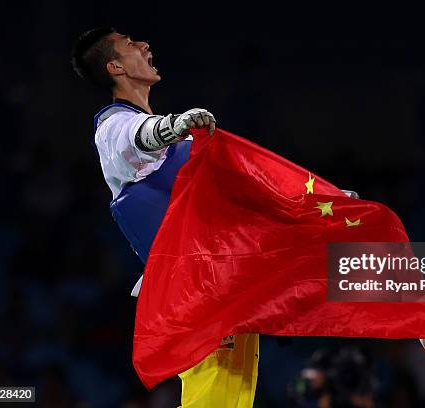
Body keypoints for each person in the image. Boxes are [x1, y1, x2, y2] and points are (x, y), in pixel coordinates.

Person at [71, 27, 259, 408]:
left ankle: (407, 307)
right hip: (189, 289)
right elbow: (138, 135)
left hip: (225, 277)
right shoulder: (111, 128)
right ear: (115, 67)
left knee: (233, 399)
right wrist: (170, 127)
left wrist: (322, 200)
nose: (144, 45)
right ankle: (409, 309)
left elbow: (243, 187)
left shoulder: (186, 146)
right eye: (129, 44)